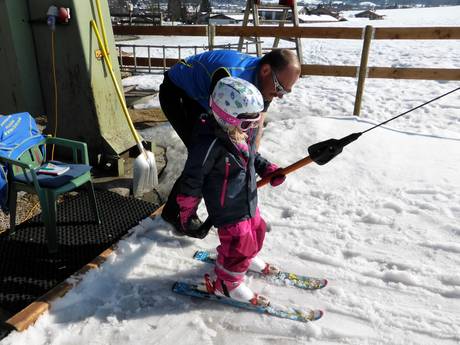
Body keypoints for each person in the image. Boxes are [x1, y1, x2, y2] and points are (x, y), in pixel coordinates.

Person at [159, 48, 301, 232]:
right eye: (280, 88)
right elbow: (221, 131)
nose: (280, 95)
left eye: (285, 92)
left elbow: (255, 127)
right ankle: (177, 212)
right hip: (179, 92)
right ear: (265, 70)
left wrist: (253, 162)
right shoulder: (229, 78)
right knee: (205, 155)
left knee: (227, 151)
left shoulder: (268, 84)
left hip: (212, 99)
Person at [176, 77, 286, 304]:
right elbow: (192, 179)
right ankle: (227, 284)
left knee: (258, 230)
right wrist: (187, 212)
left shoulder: (236, 132)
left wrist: (268, 170)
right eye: (247, 124)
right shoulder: (208, 145)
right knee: (239, 244)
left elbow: (251, 157)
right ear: (227, 118)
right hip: (228, 209)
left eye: (256, 122)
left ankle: (247, 258)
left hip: (247, 201)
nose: (252, 128)